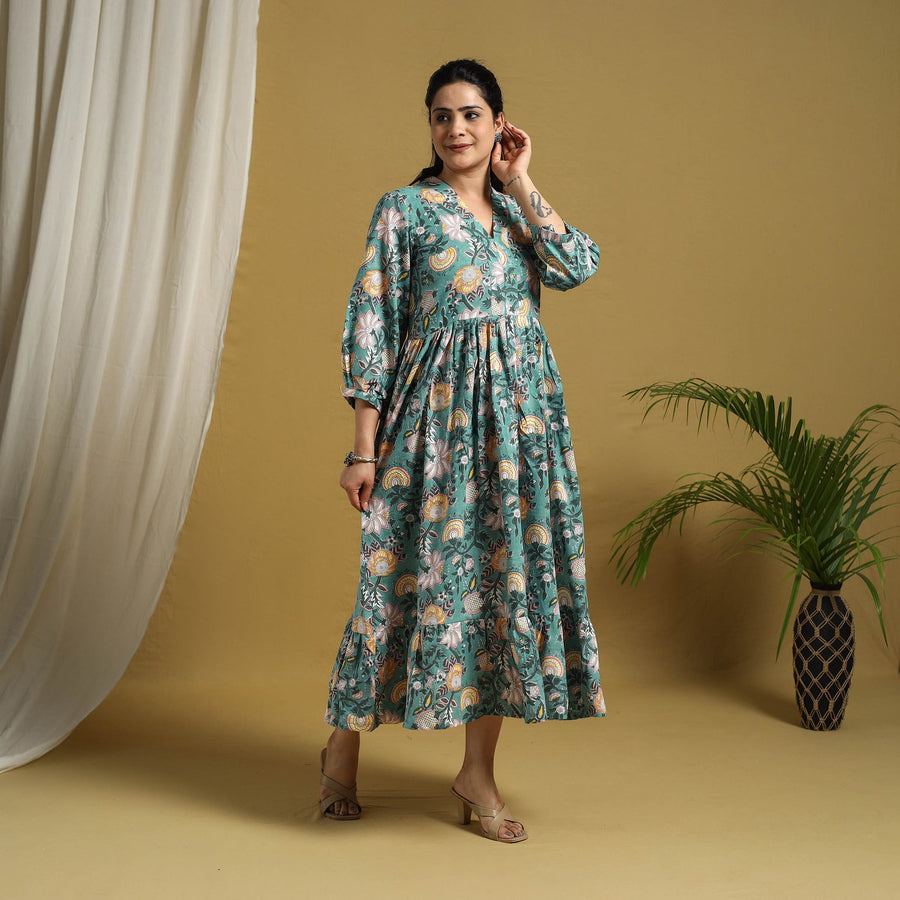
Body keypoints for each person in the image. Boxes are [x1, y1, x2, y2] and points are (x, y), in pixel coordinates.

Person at [319, 59, 606, 843]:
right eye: (442, 116)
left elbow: (579, 265)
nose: (456, 129)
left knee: (499, 588)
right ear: (431, 128)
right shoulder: (406, 209)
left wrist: (523, 180)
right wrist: (363, 450)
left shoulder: (517, 214)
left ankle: (477, 770)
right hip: (431, 428)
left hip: (519, 433)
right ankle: (342, 746)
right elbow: (372, 324)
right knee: (392, 585)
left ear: (500, 124)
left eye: (472, 114)